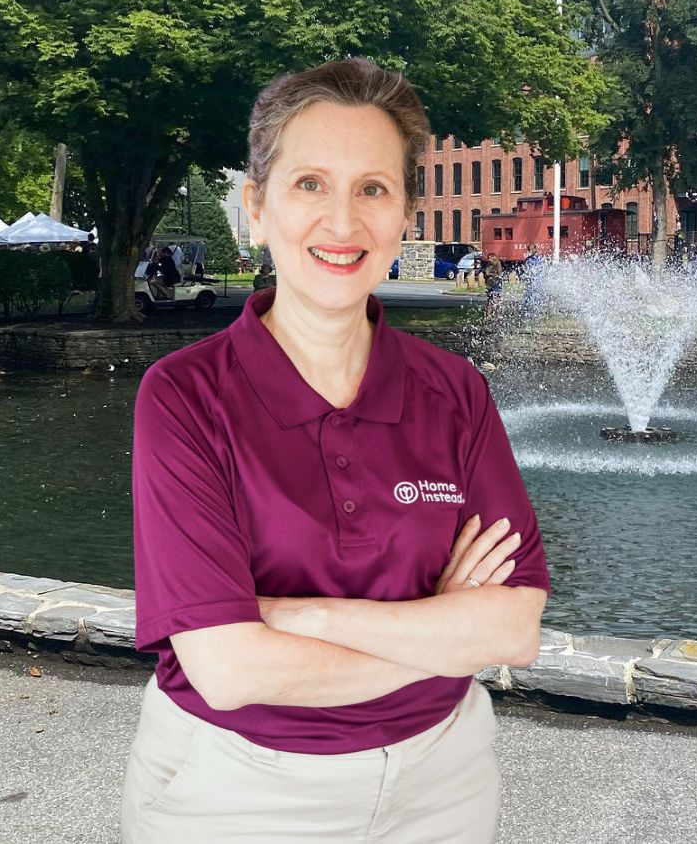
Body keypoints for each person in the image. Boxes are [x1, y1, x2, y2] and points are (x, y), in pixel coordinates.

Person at [122, 57, 549, 844]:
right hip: (239, 788)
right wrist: (445, 633)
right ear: (257, 207)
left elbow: (514, 629)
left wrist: (296, 617)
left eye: (373, 189)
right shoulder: (184, 397)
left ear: (405, 215)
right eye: (310, 184)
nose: (343, 223)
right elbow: (231, 671)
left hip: (443, 779)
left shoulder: (455, 393)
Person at [480, 251, 504, 321]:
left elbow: (499, 275)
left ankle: (498, 315)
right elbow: (486, 275)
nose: (488, 260)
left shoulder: (497, 265)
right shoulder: (488, 266)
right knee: (490, 301)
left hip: (496, 286)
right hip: (490, 285)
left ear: (494, 259)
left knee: (497, 301)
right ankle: (489, 315)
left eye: (490, 258)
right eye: (488, 258)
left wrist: (490, 275)